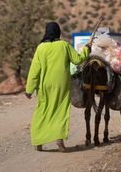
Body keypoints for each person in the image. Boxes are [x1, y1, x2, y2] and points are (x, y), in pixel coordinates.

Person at [25, 22, 90, 152]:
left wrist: (29, 89)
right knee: (61, 110)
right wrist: (86, 49)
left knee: (42, 110)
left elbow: (34, 70)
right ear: (58, 32)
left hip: (45, 85)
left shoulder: (41, 48)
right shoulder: (64, 45)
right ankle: (59, 138)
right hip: (62, 85)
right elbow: (78, 60)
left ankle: (39, 140)